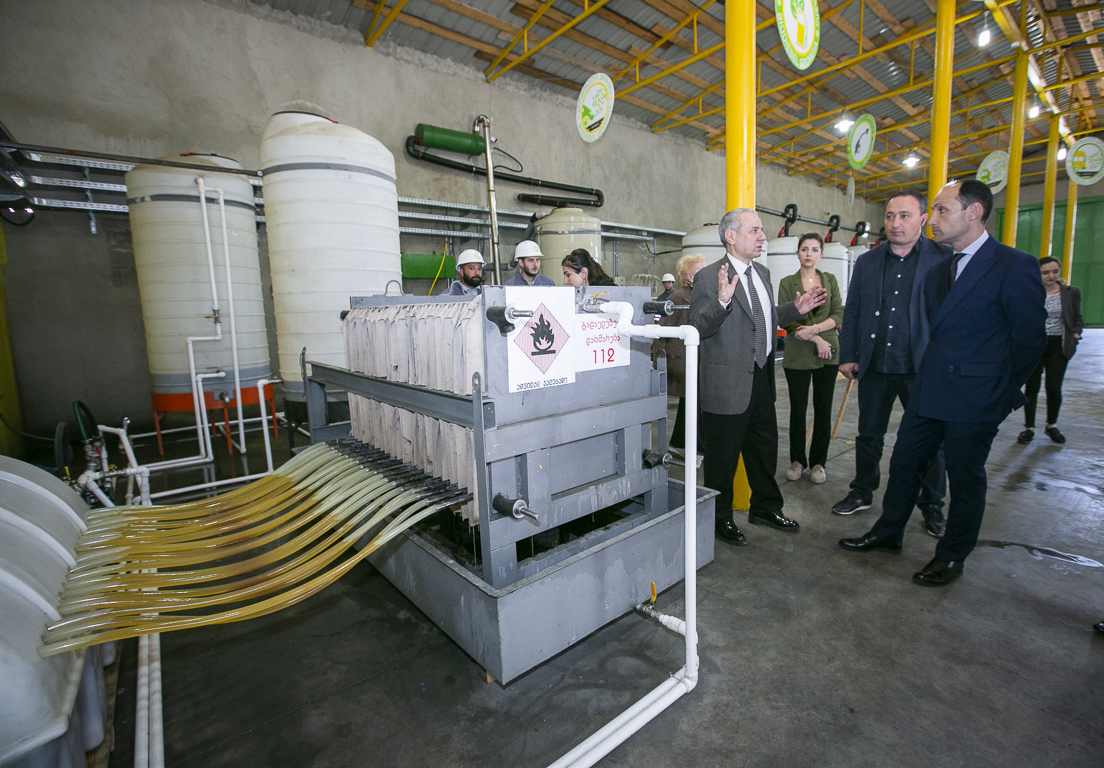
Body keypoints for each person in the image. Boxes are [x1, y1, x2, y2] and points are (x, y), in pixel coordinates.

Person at [840, 179, 1046, 586]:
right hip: (930, 388)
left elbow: (1029, 339)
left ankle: (952, 555)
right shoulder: (941, 269)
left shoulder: (1012, 264)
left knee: (965, 478)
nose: (932, 219)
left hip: (976, 396)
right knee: (904, 462)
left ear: (973, 212)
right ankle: (888, 532)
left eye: (941, 210)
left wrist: (1004, 392)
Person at [690, 209, 825, 546]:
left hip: (761, 377)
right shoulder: (709, 276)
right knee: (722, 458)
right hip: (726, 383)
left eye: (761, 230)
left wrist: (796, 310)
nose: (763, 236)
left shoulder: (761, 272)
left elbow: (764, 317)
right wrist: (721, 301)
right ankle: (719, 518)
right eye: (755, 230)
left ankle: (765, 508)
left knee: (764, 449)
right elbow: (696, 327)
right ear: (731, 236)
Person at [832, 190, 953, 538]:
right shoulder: (868, 262)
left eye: (904, 216)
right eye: (889, 216)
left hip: (922, 367)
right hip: (876, 365)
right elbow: (853, 310)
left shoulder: (943, 258)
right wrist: (849, 354)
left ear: (923, 219)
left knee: (931, 439)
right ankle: (862, 491)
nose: (895, 223)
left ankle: (932, 504)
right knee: (869, 434)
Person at [778, 233, 844, 485]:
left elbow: (838, 314)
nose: (809, 254)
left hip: (828, 353)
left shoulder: (830, 280)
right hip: (799, 353)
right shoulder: (787, 282)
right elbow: (785, 318)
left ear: (821, 254)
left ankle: (818, 463)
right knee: (798, 410)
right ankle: (797, 461)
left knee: (823, 410)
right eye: (804, 249)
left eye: (814, 250)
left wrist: (816, 330)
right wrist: (815, 338)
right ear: (797, 253)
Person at [1018, 256, 1083, 444]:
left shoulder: (1070, 293)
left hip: (1058, 346)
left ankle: (1051, 425)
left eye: (1055, 271)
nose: (1051, 276)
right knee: (1031, 387)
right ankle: (1029, 428)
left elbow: (1077, 317)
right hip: (1035, 344)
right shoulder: (1030, 292)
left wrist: (1076, 333)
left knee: (1053, 387)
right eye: (1045, 272)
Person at [653, 254, 706, 453]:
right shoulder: (676, 299)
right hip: (685, 361)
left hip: (701, 359)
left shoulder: (706, 295)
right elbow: (660, 332)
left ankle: (680, 442)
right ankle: (689, 444)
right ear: (690, 277)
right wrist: (661, 362)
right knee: (693, 401)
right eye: (701, 270)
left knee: (692, 402)